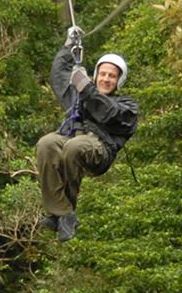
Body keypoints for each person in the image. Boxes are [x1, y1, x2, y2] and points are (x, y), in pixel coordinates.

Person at [37, 26, 140, 242]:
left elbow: (109, 113)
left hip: (99, 149)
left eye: (111, 76)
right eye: (102, 74)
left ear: (118, 81)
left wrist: (87, 89)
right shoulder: (80, 95)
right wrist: (68, 46)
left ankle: (65, 212)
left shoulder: (127, 105)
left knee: (74, 147)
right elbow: (58, 75)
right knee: (46, 144)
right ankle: (61, 213)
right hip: (72, 137)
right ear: (96, 74)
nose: (105, 79)